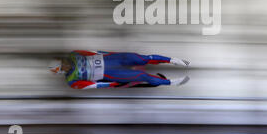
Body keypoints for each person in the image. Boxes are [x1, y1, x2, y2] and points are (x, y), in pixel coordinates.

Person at [48, 50, 190, 89]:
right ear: (61, 70)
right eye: (62, 66)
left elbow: (94, 52)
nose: (65, 64)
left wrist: (111, 53)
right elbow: (93, 85)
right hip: (110, 73)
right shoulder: (72, 81)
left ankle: (172, 60)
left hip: (112, 59)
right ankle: (171, 82)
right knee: (142, 75)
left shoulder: (74, 54)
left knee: (141, 58)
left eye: (63, 61)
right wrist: (111, 84)